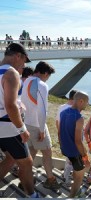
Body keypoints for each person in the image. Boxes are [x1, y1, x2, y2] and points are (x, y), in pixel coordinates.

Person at [0, 43, 38, 197]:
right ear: (18, 56)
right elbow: (10, 105)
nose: (23, 65)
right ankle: (32, 195)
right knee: (26, 162)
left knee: (10, 159)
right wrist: (22, 129)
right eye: (24, 61)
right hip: (9, 127)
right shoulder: (12, 74)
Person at [21, 61, 60, 190]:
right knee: (47, 153)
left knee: (31, 152)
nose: (48, 78)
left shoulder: (26, 81)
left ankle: (24, 179)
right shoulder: (42, 85)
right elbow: (42, 110)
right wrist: (42, 130)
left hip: (26, 123)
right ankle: (50, 180)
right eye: (48, 76)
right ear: (44, 73)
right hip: (37, 125)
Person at [60, 91, 90, 197]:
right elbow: (78, 141)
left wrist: (61, 146)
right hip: (75, 151)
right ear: (81, 101)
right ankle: (73, 195)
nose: (88, 104)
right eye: (87, 102)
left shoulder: (63, 112)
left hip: (66, 149)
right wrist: (85, 158)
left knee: (76, 170)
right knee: (79, 175)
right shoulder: (79, 118)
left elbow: (59, 131)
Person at [56, 89, 77, 186]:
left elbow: (57, 122)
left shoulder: (61, 107)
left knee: (69, 158)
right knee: (71, 158)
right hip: (71, 138)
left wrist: (60, 135)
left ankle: (67, 174)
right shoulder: (73, 110)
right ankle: (66, 178)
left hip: (62, 135)